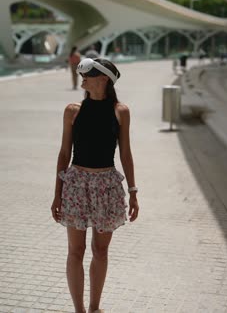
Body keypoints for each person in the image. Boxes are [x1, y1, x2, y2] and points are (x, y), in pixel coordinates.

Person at [51, 57, 139, 313]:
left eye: (87, 75)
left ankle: (94, 308)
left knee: (100, 251)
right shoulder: (72, 110)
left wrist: (133, 192)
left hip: (107, 186)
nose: (83, 79)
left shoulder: (120, 111)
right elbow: (64, 153)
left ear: (103, 79)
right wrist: (57, 194)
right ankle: (79, 310)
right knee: (75, 251)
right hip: (76, 184)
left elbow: (126, 154)